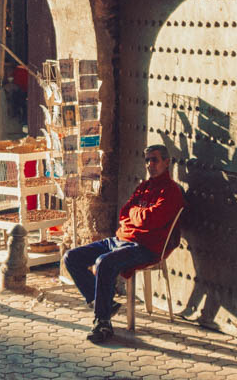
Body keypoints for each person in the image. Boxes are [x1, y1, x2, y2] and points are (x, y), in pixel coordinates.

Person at [64, 144, 184, 344]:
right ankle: (103, 304)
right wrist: (136, 216)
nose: (150, 165)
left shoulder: (171, 191)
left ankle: (102, 322)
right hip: (119, 240)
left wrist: (134, 215)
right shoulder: (143, 187)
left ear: (167, 162)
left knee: (104, 262)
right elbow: (124, 212)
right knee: (72, 257)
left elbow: (149, 220)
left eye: (154, 159)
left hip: (144, 247)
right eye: (147, 160)